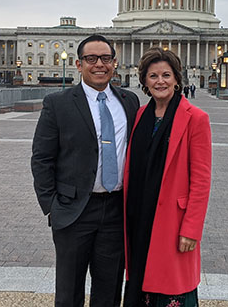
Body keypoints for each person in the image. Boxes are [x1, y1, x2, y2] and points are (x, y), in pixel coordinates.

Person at [31, 35, 140, 307]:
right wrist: (52, 206)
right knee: (69, 293)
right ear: (79, 65)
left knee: (109, 291)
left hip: (116, 210)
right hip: (73, 210)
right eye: (91, 59)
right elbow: (42, 159)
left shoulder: (129, 101)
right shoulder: (58, 103)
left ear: (114, 63)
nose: (99, 64)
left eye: (105, 59)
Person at [123, 48, 212, 307]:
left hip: (174, 222)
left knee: (172, 289)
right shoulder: (140, 116)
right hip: (139, 217)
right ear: (145, 82)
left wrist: (191, 229)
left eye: (166, 75)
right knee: (140, 284)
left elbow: (201, 180)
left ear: (176, 79)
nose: (160, 81)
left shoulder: (196, 118)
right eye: (153, 76)